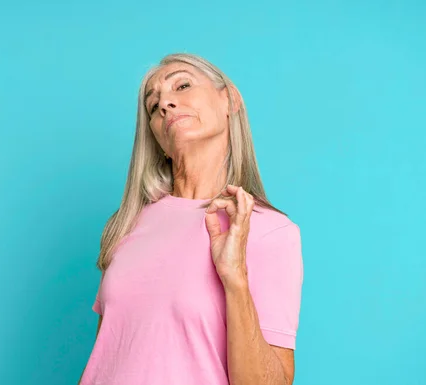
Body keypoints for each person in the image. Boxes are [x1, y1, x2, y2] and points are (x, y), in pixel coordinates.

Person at [78, 53, 304, 385]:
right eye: (154, 106)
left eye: (182, 85)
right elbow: (108, 358)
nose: (166, 103)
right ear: (158, 140)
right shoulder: (127, 225)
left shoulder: (269, 231)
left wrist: (235, 278)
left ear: (230, 100)